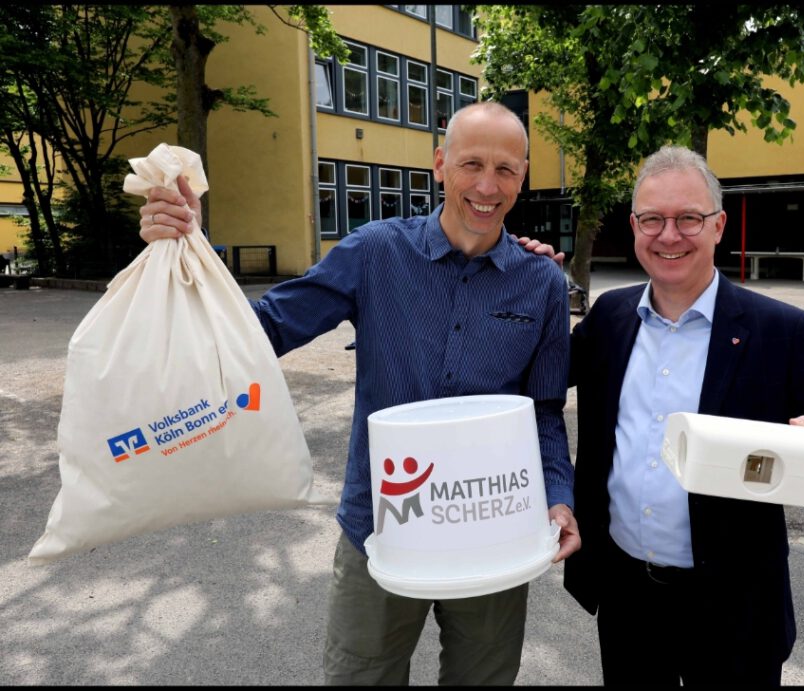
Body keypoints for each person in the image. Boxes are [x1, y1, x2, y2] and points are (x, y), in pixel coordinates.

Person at [137, 101, 581, 686]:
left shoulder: (541, 282)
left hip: (491, 525)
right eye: (471, 164)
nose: (486, 185)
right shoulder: (376, 252)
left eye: (505, 170)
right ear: (440, 164)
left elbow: (545, 410)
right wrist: (184, 249)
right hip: (382, 523)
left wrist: (558, 494)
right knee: (360, 677)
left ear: (523, 177)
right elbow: (263, 331)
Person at [562, 145, 804, 686]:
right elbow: (536, 377)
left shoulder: (780, 332)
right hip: (626, 596)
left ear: (718, 225)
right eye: (652, 219)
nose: (668, 235)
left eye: (688, 218)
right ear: (633, 225)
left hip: (734, 608)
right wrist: (521, 276)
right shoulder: (611, 317)